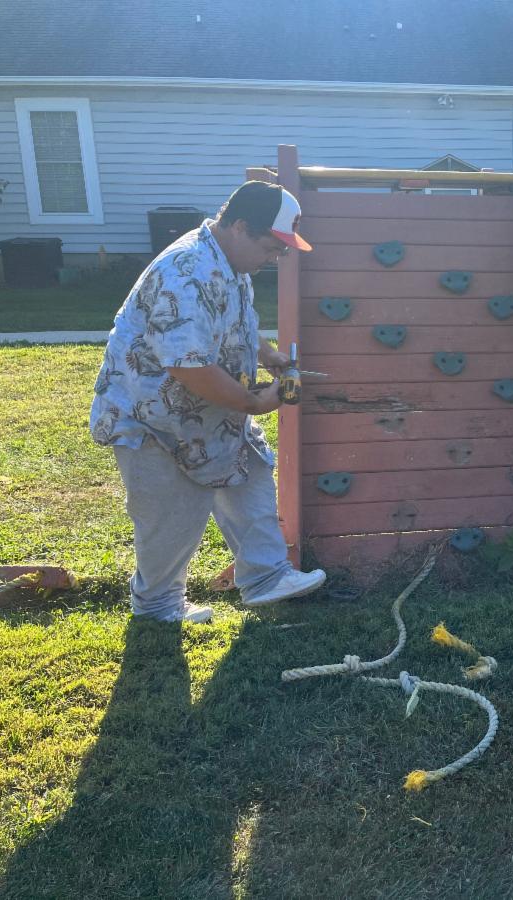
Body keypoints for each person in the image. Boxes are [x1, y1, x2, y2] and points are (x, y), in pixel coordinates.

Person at [90, 181, 328, 623]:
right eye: (271, 247)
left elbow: (236, 321)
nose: (274, 258)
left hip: (206, 416)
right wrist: (253, 403)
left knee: (250, 474)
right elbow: (189, 367)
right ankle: (157, 606)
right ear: (240, 227)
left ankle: (266, 577)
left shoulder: (231, 264)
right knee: (171, 514)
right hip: (153, 422)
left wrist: (266, 354)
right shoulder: (186, 271)